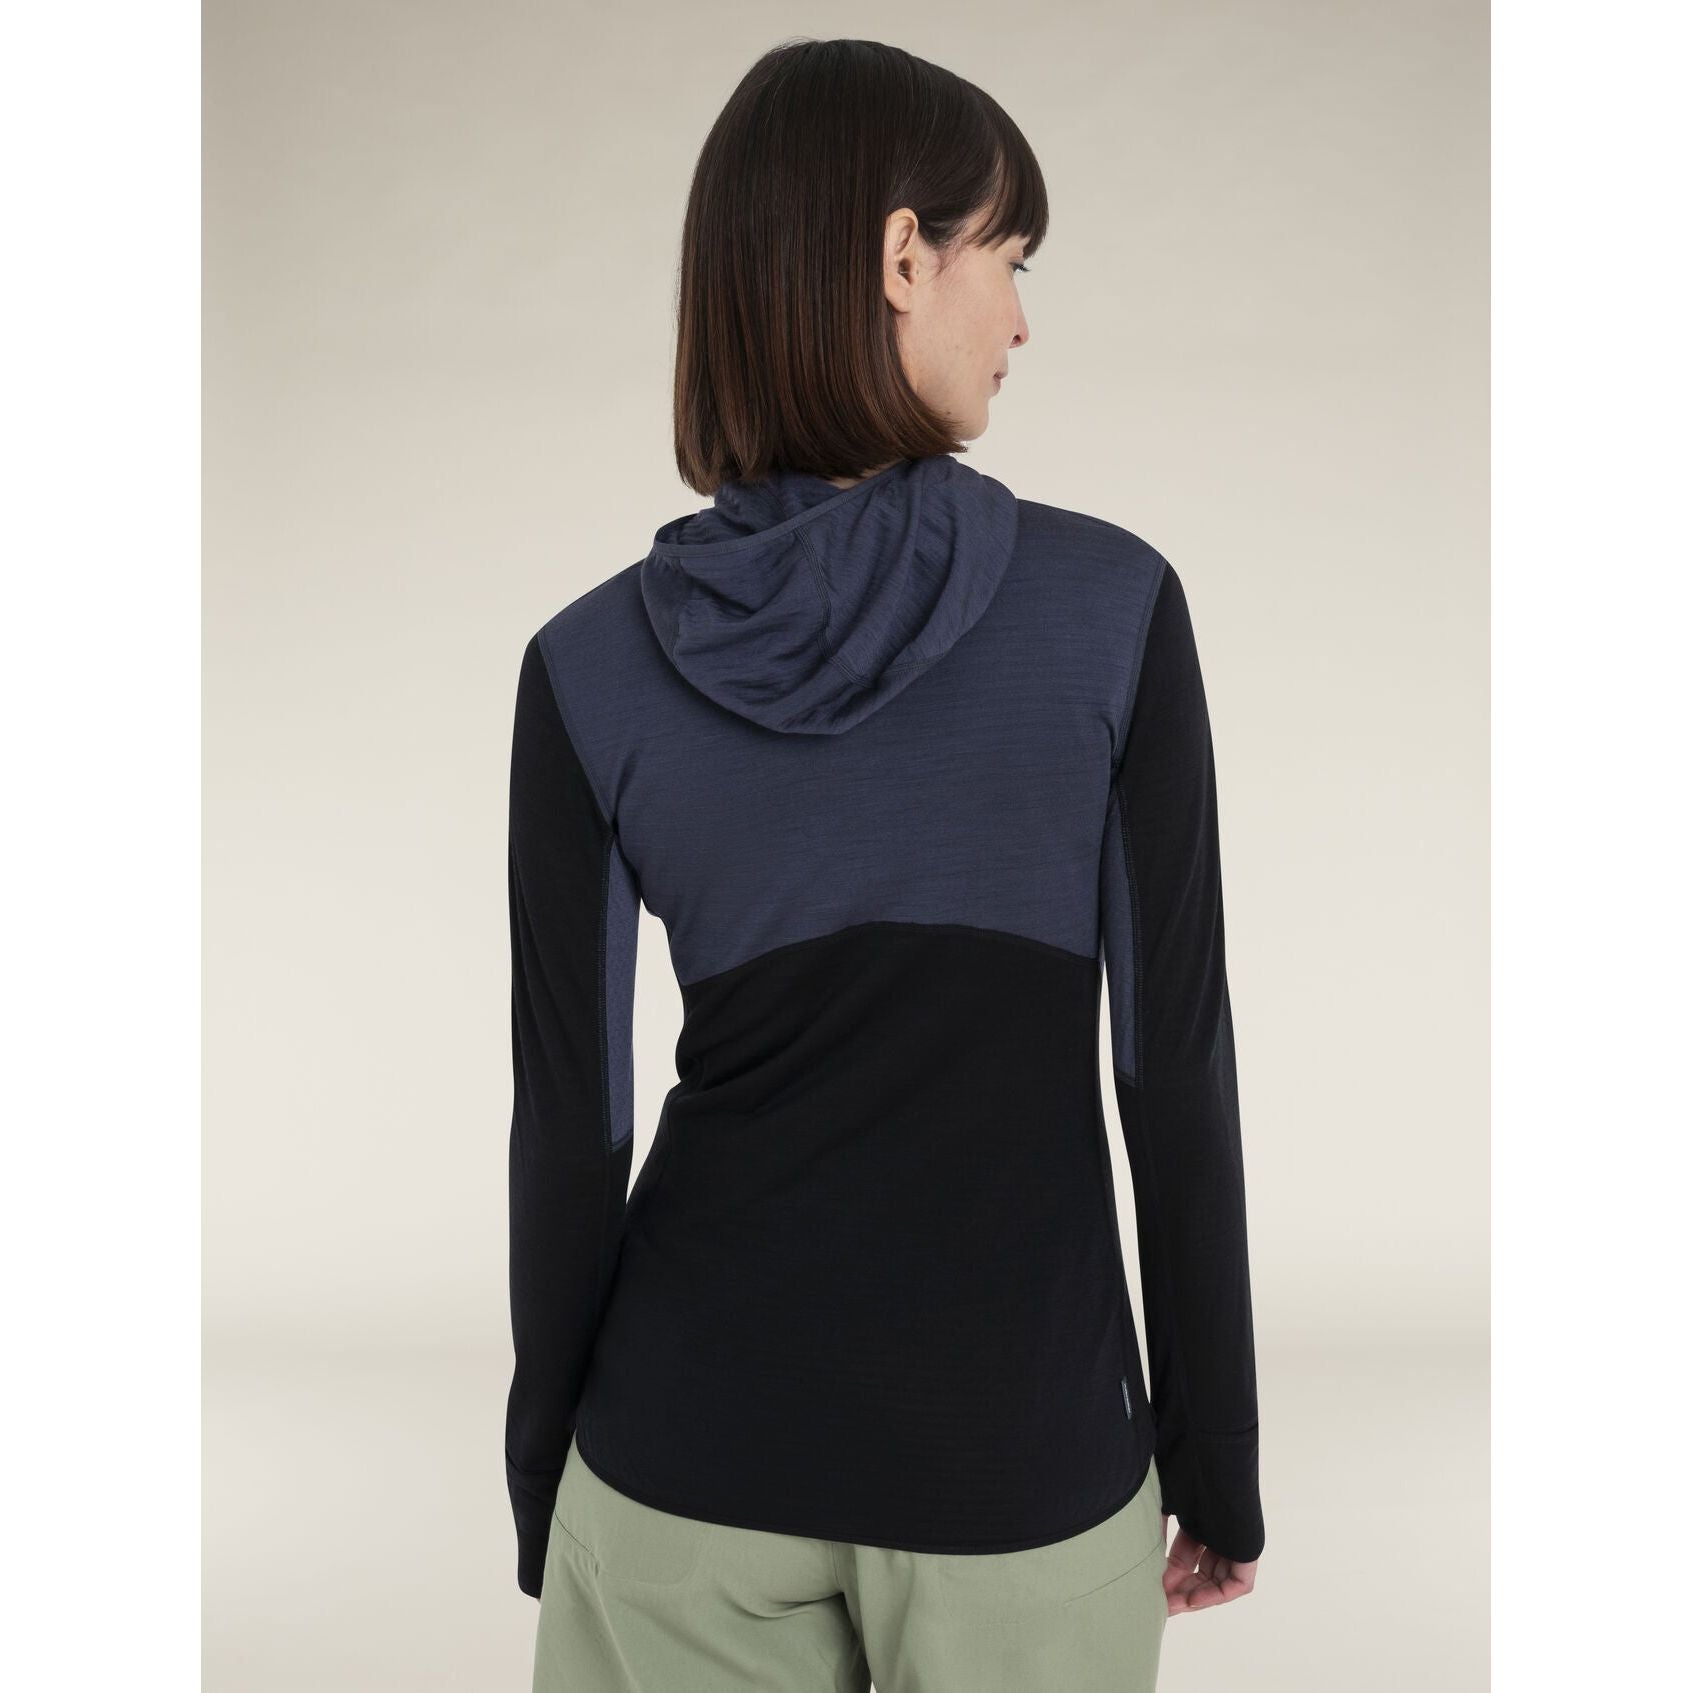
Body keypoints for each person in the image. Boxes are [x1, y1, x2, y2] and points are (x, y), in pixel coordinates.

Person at [504, 36, 1264, 1693]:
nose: (1019, 320)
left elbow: (574, 1122)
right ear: (902, 254)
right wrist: (1214, 1456)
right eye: (1009, 257)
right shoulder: (1113, 610)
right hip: (1021, 1459)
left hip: (678, 1463)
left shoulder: (584, 667)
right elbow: (1170, 1065)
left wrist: (541, 1468)